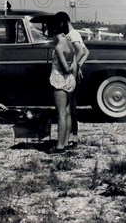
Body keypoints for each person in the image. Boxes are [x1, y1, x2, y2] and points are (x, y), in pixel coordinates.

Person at [55, 11, 90, 148]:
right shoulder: (75, 33)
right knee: (70, 107)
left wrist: (75, 65)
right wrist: (79, 64)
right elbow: (86, 52)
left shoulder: (70, 35)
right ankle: (71, 137)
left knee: (69, 108)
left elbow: (81, 51)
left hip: (70, 73)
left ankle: (71, 137)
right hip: (73, 71)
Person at [48, 17, 76, 153]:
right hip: (70, 80)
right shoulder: (69, 42)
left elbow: (65, 67)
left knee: (61, 115)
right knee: (67, 112)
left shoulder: (59, 46)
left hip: (60, 78)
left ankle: (59, 146)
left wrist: (67, 68)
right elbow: (74, 62)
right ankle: (65, 142)